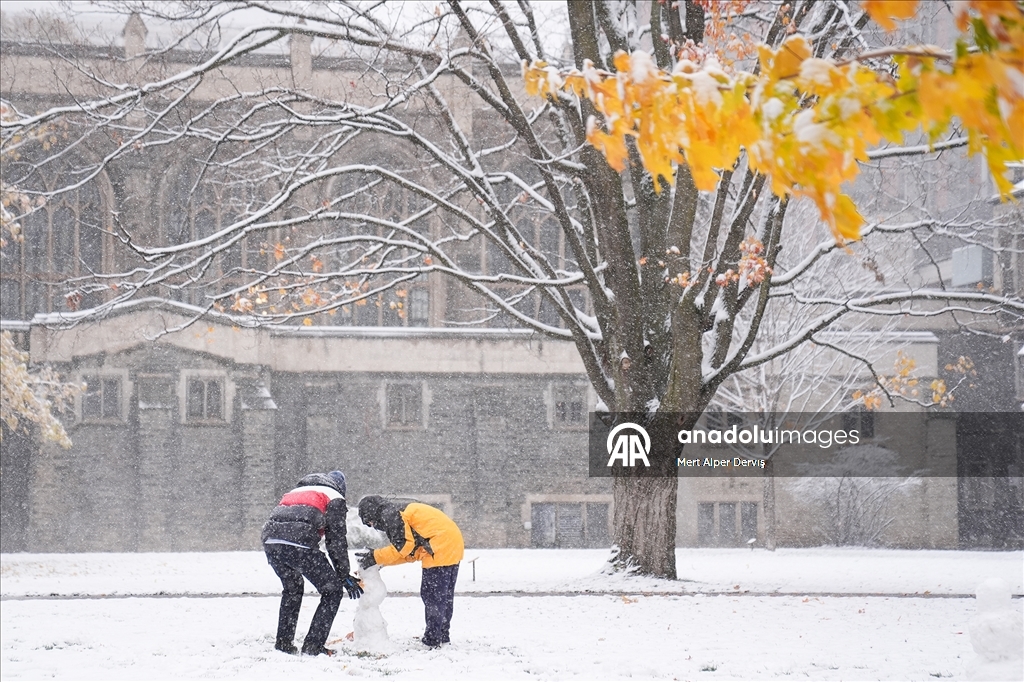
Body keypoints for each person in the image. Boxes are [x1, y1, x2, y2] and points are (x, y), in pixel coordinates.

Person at [262, 471, 363, 656]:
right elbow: (336, 540)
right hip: (300, 543)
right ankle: (313, 646)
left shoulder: (295, 492)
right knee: (332, 591)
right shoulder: (334, 496)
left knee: (292, 589)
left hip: (271, 542)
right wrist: (343, 575)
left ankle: (284, 644)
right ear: (341, 487)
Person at [356, 496, 464, 648]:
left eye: (370, 522)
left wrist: (375, 556)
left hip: (439, 545)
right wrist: (380, 561)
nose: (372, 526)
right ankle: (442, 636)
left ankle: (432, 640)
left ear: (372, 513)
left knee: (432, 595)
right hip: (451, 542)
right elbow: (409, 553)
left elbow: (403, 547)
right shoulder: (399, 512)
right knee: (443, 597)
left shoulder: (390, 514)